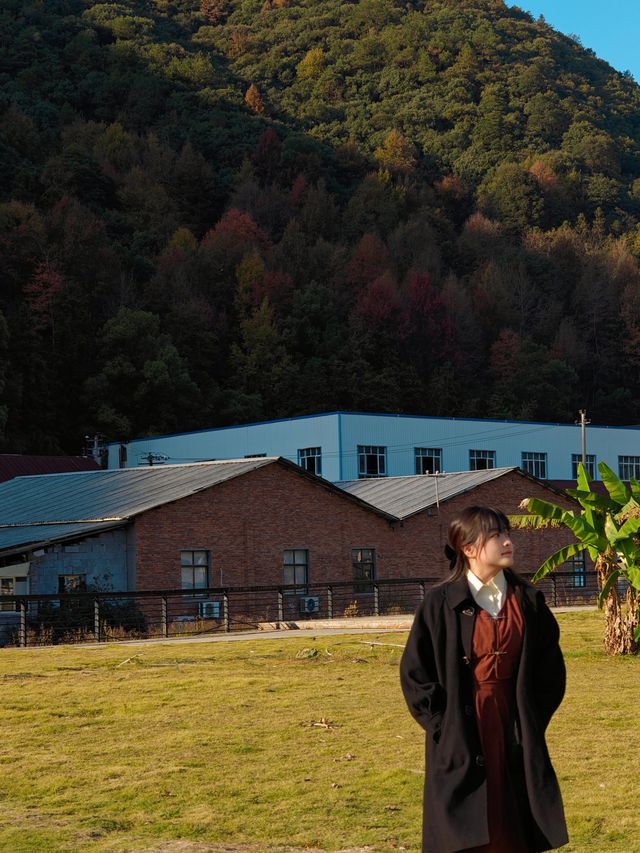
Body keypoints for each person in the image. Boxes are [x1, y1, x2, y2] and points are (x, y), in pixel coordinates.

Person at [400, 505, 568, 853]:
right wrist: (441, 725)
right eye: (496, 535)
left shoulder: (529, 600)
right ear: (469, 548)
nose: (508, 542)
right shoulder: (439, 604)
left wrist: (532, 720)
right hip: (460, 727)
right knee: (464, 824)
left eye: (507, 534)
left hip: (513, 719)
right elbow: (416, 673)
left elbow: (550, 671)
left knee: (513, 816)